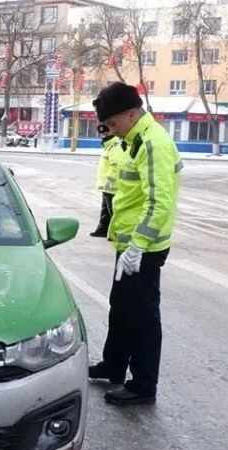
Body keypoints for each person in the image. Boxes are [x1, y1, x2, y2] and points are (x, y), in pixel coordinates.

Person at [87, 82, 182, 406]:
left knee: (142, 317)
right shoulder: (133, 140)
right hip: (128, 245)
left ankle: (143, 385)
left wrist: (139, 245)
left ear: (131, 114)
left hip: (144, 249)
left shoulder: (153, 143)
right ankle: (113, 365)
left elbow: (160, 201)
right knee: (122, 309)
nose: (111, 130)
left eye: (113, 124)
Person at [90, 123, 121, 237]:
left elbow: (115, 166)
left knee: (113, 211)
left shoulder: (115, 146)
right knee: (106, 211)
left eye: (106, 133)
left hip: (112, 185)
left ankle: (117, 233)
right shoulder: (107, 146)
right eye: (102, 134)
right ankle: (102, 230)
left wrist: (110, 180)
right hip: (106, 185)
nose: (103, 135)